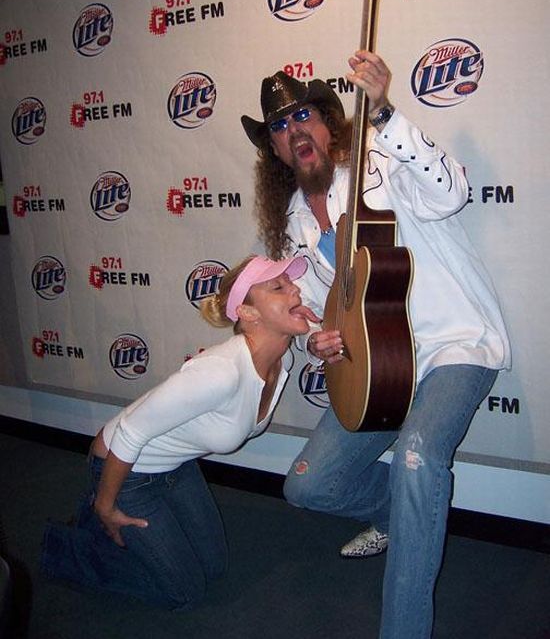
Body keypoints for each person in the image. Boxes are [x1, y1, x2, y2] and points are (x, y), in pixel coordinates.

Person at [241, 51, 511, 639]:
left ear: (328, 123)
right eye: (280, 127)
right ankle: (401, 516)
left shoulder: (379, 162)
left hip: (452, 346)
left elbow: (452, 194)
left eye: (304, 116)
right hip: (376, 369)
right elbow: (323, 304)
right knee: (308, 484)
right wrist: (321, 340)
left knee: (416, 457)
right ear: (275, 150)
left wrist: (385, 112)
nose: (294, 131)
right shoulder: (293, 222)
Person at [40, 254, 317, 610]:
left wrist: (315, 335)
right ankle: (67, 545)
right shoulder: (220, 372)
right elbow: (129, 433)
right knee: (186, 592)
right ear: (248, 313)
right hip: (127, 471)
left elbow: (313, 339)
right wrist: (106, 507)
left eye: (290, 282)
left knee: (214, 567)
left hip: (177, 467)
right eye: (278, 287)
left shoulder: (282, 359)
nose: (295, 289)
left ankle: (107, 527)